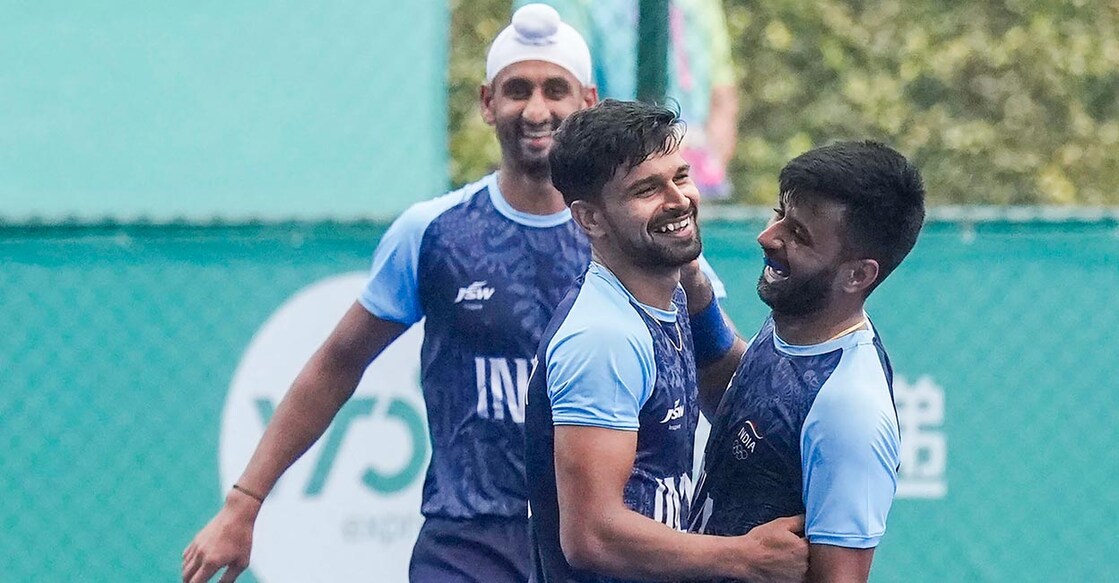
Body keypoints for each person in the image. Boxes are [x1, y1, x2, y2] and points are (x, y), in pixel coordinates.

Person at [181, 5, 723, 583]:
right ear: (488, 103)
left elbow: (715, 371)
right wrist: (245, 503)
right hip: (470, 541)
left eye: (554, 89)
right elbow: (337, 363)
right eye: (517, 90)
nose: (537, 110)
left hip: (594, 547)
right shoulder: (434, 232)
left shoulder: (645, 234)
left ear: (586, 99)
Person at [524, 99, 808, 583]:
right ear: (590, 219)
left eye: (680, 176)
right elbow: (591, 535)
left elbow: (733, 400)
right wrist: (744, 556)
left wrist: (700, 302)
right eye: (647, 190)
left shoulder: (671, 292)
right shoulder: (603, 337)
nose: (677, 200)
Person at [688, 141, 927, 582]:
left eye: (797, 234)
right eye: (778, 213)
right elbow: (743, 410)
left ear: (858, 274)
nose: (768, 236)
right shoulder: (796, 324)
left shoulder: (850, 409)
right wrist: (694, 290)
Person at [514, 0, 740, 200]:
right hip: (604, 169)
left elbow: (722, 95)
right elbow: (562, 95)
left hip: (692, 162)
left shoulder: (698, 6)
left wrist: (704, 167)